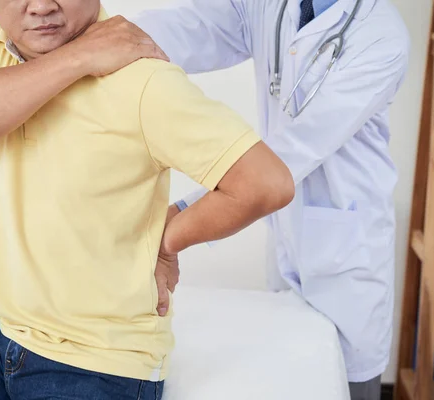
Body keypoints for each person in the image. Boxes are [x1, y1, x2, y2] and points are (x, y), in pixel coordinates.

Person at [0, 0, 295, 398]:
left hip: (100, 361)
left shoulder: (140, 79)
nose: (40, 6)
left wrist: (169, 240)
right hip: (2, 331)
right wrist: (80, 57)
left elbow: (266, 182)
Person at [129, 0, 411, 399]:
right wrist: (114, 38)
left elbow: (293, 152)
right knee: (292, 371)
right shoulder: (268, 5)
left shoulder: (380, 35)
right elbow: (193, 27)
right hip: (286, 227)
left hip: (349, 253)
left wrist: (181, 217)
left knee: (350, 383)